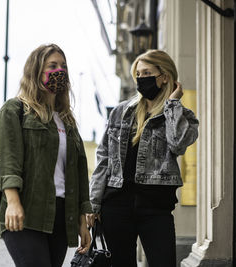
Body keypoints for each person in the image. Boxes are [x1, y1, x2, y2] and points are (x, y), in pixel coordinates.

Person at [87, 49, 199, 267]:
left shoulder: (183, 117)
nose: (141, 79)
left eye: (147, 73)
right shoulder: (121, 112)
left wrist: (173, 104)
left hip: (156, 208)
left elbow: (178, 144)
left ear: (164, 76)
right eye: (138, 74)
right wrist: (93, 204)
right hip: (116, 206)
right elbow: (104, 159)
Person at [0, 44, 92, 267]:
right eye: (52, 65)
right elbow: (8, 160)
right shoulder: (15, 110)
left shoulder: (67, 120)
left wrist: (82, 220)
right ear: (36, 70)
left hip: (60, 216)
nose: (60, 71)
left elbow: (78, 170)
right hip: (26, 212)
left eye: (63, 66)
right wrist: (13, 202)